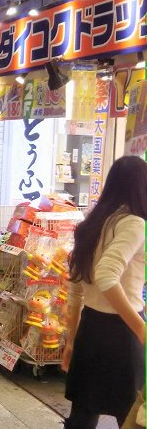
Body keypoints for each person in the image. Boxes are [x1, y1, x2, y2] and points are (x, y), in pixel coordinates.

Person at [62, 156, 147, 428]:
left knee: (83, 416)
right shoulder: (134, 223)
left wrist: (72, 340)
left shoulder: (95, 221)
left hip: (91, 328)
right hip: (124, 333)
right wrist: (141, 328)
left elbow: (76, 287)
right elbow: (106, 275)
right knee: (131, 416)